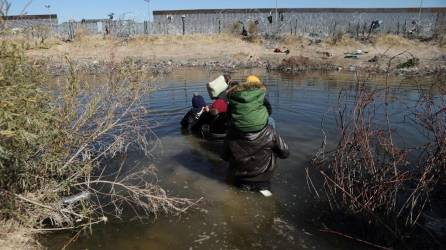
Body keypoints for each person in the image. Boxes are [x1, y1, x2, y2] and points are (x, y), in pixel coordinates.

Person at [222, 75, 289, 196]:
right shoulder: (270, 132)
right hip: (263, 181)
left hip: (239, 179)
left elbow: (224, 156)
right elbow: (285, 153)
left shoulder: (231, 134)